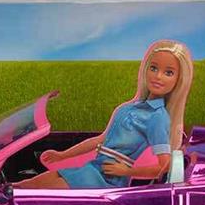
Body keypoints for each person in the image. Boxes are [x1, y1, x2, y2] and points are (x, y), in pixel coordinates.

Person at [16, 40, 193, 190]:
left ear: (179, 80)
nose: (158, 76)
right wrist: (62, 155)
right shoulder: (129, 108)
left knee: (41, 193)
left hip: (108, 180)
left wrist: (127, 172)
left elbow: (164, 166)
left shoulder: (157, 117)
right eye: (153, 68)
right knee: (27, 185)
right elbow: (100, 140)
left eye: (168, 73)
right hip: (93, 169)